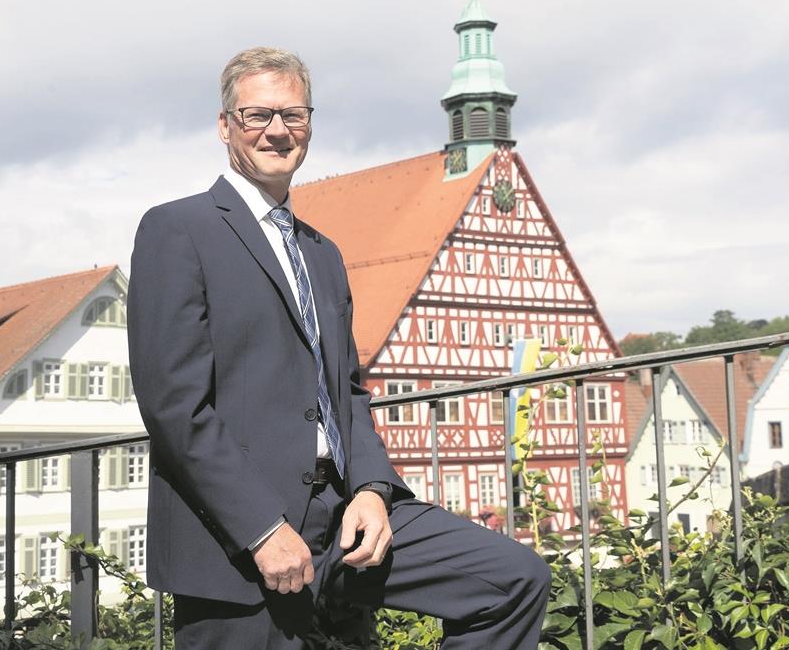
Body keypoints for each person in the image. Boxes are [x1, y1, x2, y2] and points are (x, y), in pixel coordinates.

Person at [127, 46, 552, 649]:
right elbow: (175, 405)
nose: (278, 131)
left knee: (513, 578)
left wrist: (375, 492)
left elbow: (347, 392)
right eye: (258, 116)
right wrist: (259, 528)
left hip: (345, 515)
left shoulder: (321, 252)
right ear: (225, 127)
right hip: (244, 533)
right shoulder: (179, 229)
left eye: (294, 115)